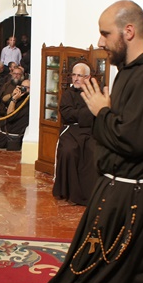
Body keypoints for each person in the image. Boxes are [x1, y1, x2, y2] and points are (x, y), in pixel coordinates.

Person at [24, 0, 143, 283]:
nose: (99, 41)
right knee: (141, 265)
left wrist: (101, 112)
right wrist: (107, 112)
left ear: (129, 31)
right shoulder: (130, 69)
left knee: (101, 264)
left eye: (105, 33)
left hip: (132, 191)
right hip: (125, 185)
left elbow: (135, 141)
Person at [52, 63, 98, 206]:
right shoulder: (67, 94)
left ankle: (89, 195)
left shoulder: (94, 94)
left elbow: (99, 112)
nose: (76, 78)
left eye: (79, 75)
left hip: (90, 131)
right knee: (68, 150)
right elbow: (67, 114)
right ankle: (68, 193)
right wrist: (88, 113)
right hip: (71, 130)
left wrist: (82, 114)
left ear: (87, 77)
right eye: (74, 75)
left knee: (94, 151)